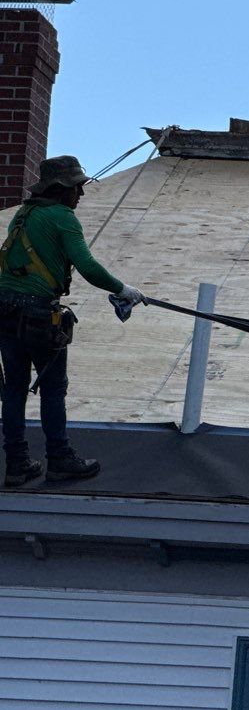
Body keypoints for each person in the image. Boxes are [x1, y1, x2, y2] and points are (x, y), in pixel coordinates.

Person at [0, 156, 144, 486]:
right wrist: (124, 289)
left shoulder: (23, 216)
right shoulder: (62, 217)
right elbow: (88, 266)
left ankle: (17, 464)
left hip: (5, 310)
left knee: (14, 389)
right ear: (62, 190)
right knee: (53, 388)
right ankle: (60, 458)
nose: (81, 194)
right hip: (37, 314)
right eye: (77, 187)